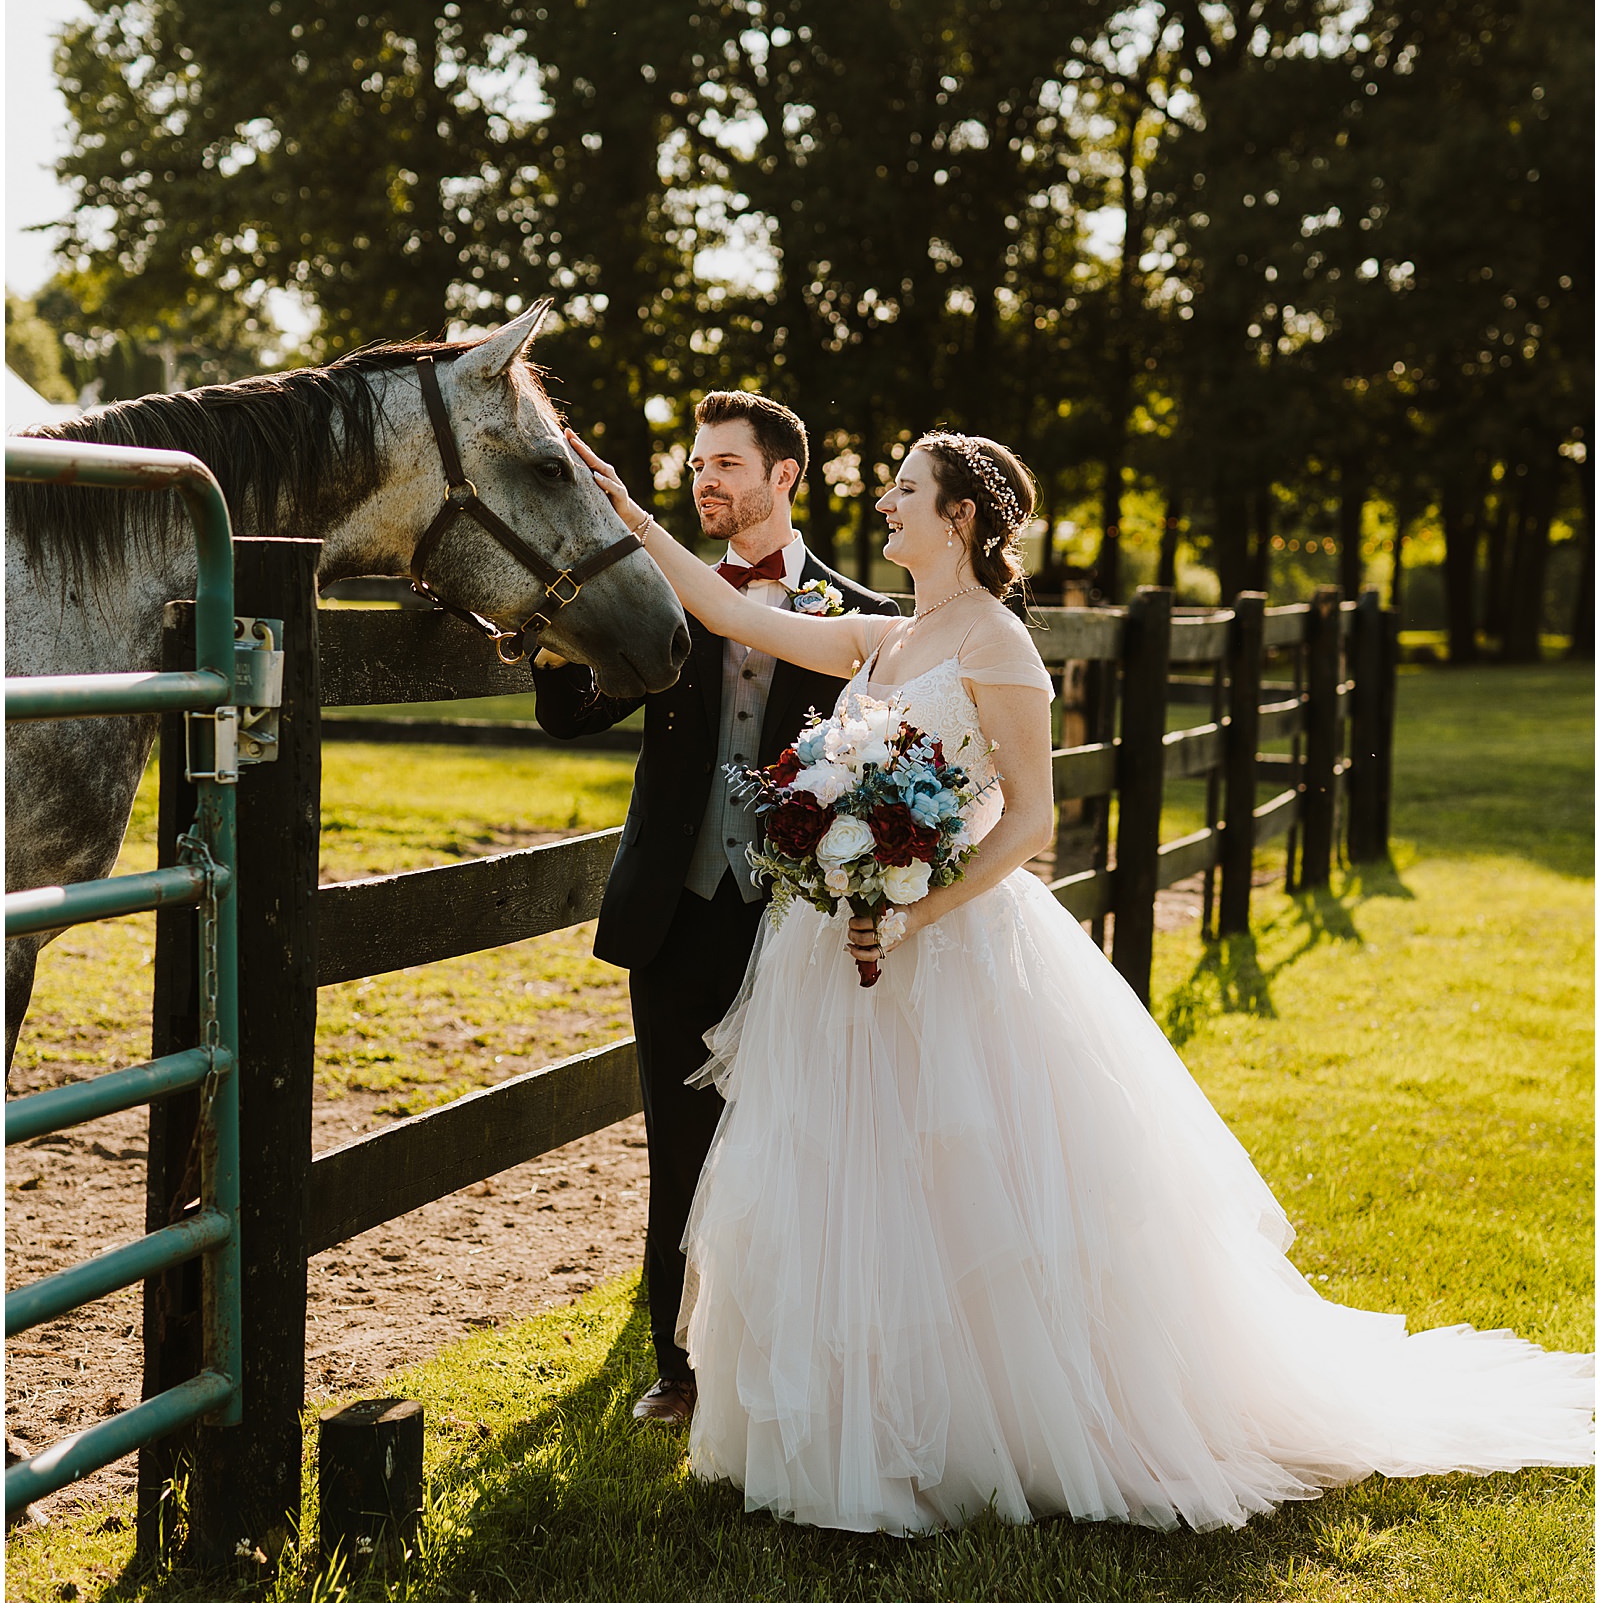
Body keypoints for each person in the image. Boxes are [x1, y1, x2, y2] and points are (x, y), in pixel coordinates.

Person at [566, 421, 1594, 1534]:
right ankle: (866, 1411)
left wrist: (913, 913)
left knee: (967, 1185)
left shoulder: (997, 644)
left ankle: (999, 1418)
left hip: (949, 945)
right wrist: (626, 513)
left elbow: (1028, 826)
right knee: (852, 1177)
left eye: (905, 491)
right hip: (848, 952)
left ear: (957, 517)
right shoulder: (884, 637)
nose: (886, 505)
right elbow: (724, 613)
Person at [533, 391, 896, 1427]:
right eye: (699, 463)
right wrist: (553, 629)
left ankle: (789, 1352)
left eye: (728, 464)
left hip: (797, 926)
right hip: (678, 912)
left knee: (798, 1139)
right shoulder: (665, 598)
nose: (706, 480)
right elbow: (570, 715)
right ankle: (678, 1367)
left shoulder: (850, 612)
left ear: (785, 477)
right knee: (678, 1140)